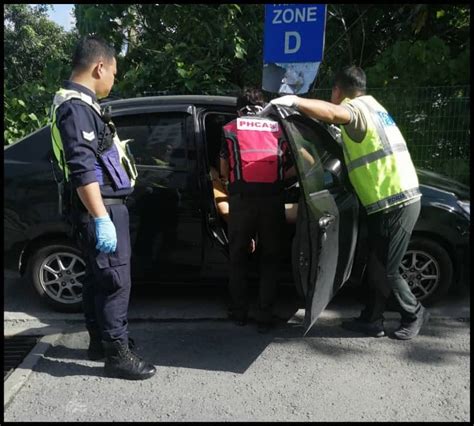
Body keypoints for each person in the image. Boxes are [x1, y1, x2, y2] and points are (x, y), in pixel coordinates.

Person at [271, 66, 429, 340]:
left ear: (337, 91)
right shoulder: (374, 107)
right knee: (376, 265)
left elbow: (335, 113)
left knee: (387, 271)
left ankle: (414, 312)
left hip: (395, 201)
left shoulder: (355, 109)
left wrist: (294, 101)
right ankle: (372, 319)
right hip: (387, 202)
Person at [50, 35, 156, 379]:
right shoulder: (76, 108)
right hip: (101, 208)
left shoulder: (77, 104)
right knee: (114, 281)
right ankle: (117, 354)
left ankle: (102, 343)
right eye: (114, 71)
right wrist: (100, 217)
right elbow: (82, 170)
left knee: (98, 281)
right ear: (99, 67)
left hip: (99, 208)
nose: (115, 79)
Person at [220, 88, 292, 333]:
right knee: (270, 259)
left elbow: (223, 167)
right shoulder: (279, 128)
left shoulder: (231, 128)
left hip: (242, 200)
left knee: (238, 258)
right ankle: (265, 315)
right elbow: (291, 165)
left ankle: (239, 312)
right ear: (264, 105)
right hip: (272, 200)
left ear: (239, 107)